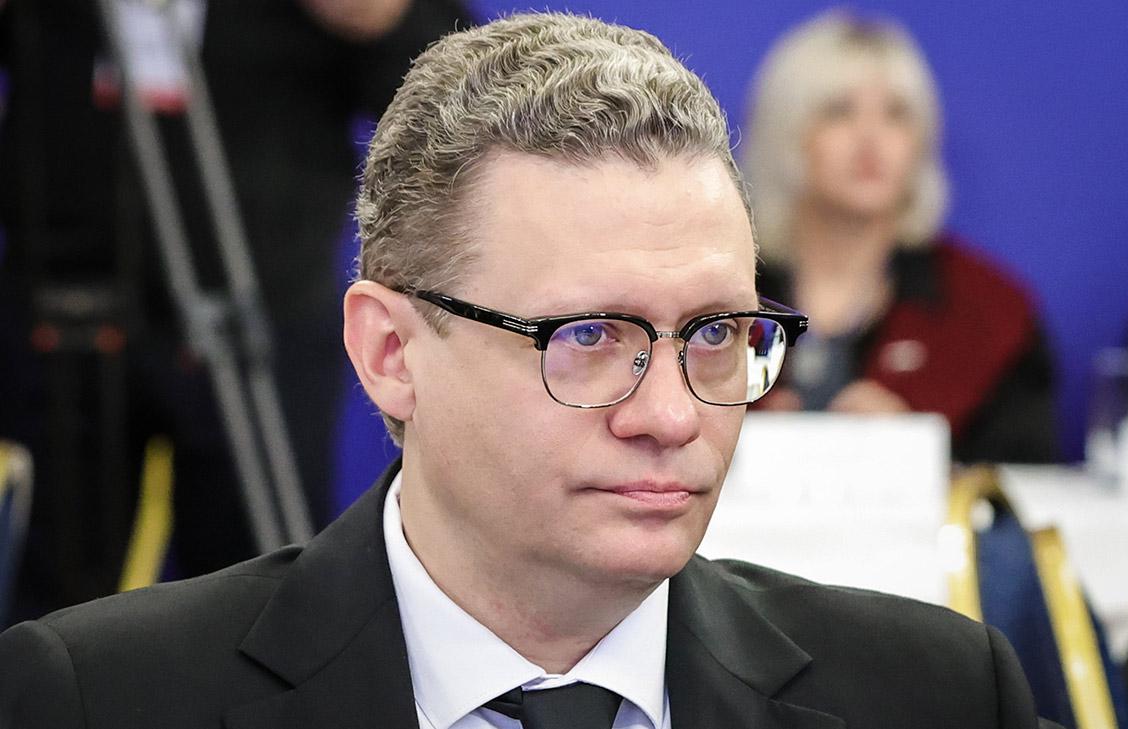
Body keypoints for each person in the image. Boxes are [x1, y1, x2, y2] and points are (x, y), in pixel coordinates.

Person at [1, 13, 1058, 728]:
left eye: (712, 335)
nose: (669, 416)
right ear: (390, 353)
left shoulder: (937, 693)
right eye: (588, 337)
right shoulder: (101, 698)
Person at [0, 0, 470, 619]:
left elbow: (447, 99)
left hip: (266, 299)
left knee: (263, 594)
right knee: (49, 598)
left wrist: (376, 17)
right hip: (64, 290)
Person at [743, 11, 1057, 463]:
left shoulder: (990, 310)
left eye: (896, 114)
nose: (871, 140)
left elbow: (1028, 485)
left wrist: (918, 454)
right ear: (785, 134)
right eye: (839, 111)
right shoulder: (722, 293)